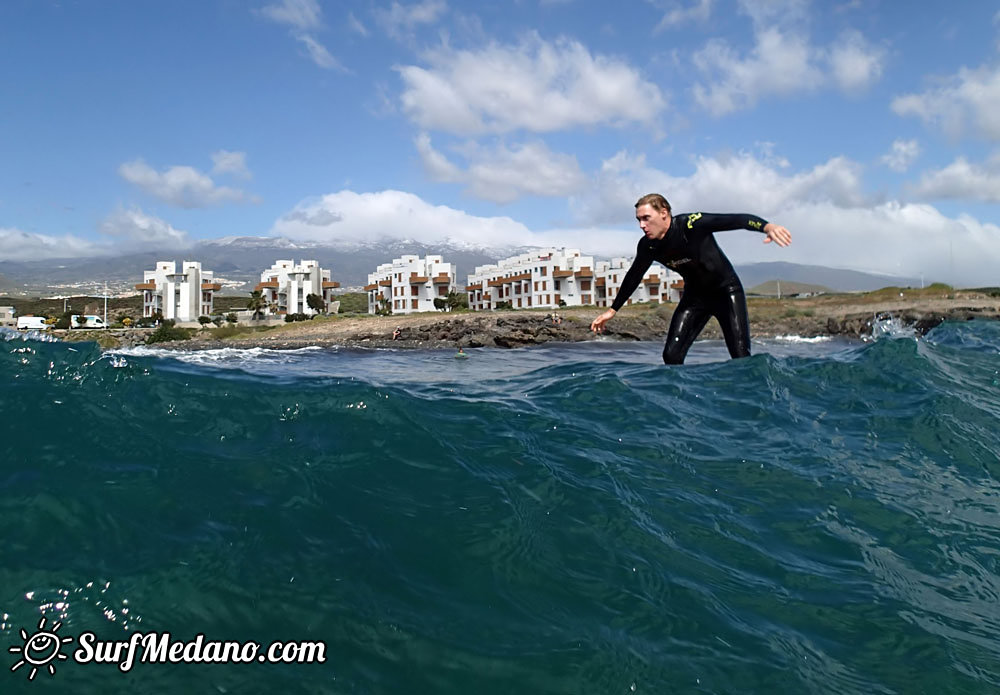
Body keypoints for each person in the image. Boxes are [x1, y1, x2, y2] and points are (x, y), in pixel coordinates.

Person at [590, 193, 791, 364]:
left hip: (726, 292)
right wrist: (612, 310)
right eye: (638, 220)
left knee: (740, 356)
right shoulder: (648, 246)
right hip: (695, 298)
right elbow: (634, 276)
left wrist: (767, 227)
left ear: (663, 213)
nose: (642, 225)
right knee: (671, 356)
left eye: (646, 218)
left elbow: (735, 220)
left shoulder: (691, 224)